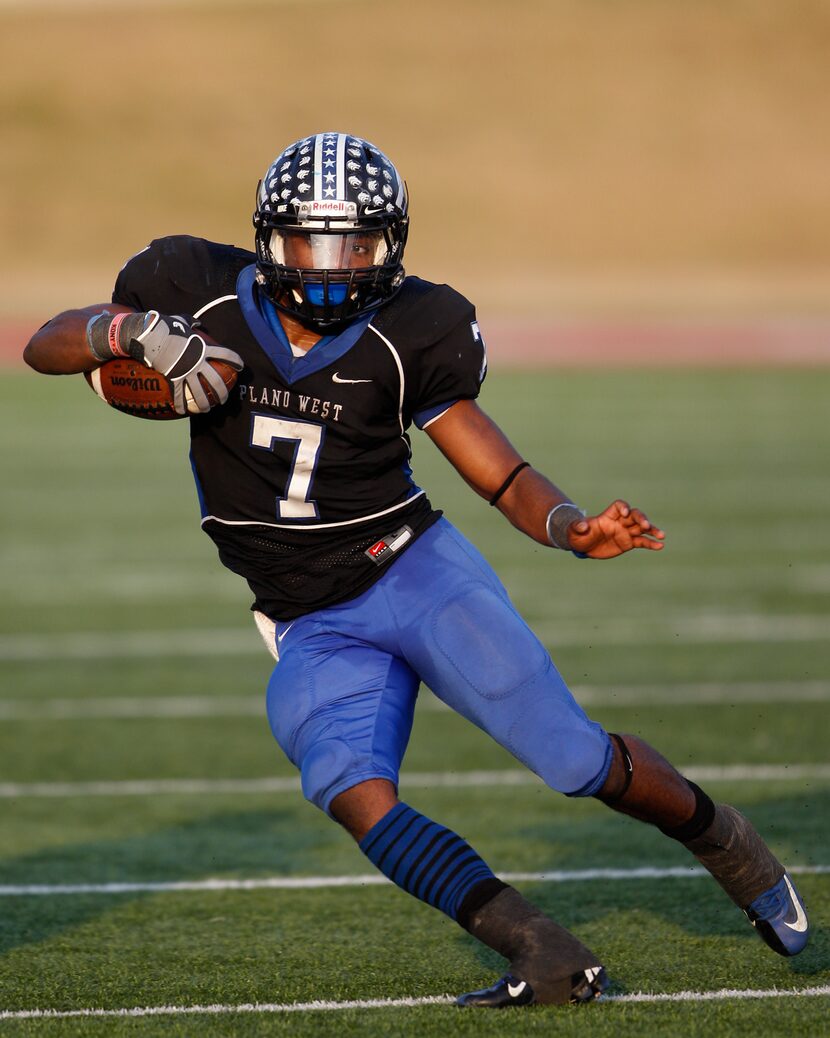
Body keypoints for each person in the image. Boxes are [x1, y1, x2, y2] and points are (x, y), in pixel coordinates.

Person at [24, 132, 809, 1008]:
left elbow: (497, 471)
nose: (335, 264)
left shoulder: (411, 327)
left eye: (358, 242)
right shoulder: (189, 287)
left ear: (390, 243)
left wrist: (567, 525)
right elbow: (46, 344)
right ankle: (540, 949)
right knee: (350, 791)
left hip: (413, 574)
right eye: (315, 241)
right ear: (267, 239)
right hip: (306, 613)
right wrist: (126, 332)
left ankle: (725, 840)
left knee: (574, 759)